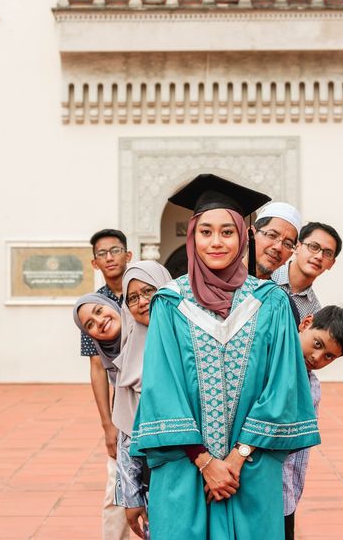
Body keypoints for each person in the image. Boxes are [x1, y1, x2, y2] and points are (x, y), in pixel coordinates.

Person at [130, 174, 321, 540]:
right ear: (192, 236)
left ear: (243, 236)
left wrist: (235, 458)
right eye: (206, 232)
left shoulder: (271, 302)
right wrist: (205, 462)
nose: (216, 242)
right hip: (185, 470)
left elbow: (282, 386)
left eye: (227, 232)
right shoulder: (170, 303)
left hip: (250, 469)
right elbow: (161, 390)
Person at [284, 306, 343, 540]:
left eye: (329, 357)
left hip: (285, 496)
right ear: (306, 323)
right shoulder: (265, 364)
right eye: (317, 344)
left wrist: (292, 498)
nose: (317, 358)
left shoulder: (312, 389)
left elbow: (299, 455)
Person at [112, 262, 172, 539]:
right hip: (153, 476)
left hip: (200, 467)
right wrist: (131, 496)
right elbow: (125, 435)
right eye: (132, 297)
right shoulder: (129, 355)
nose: (141, 302)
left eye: (148, 291)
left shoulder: (192, 337)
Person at [81, 229, 132, 540]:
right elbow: (97, 367)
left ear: (129, 255)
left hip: (159, 401)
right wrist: (107, 425)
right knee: (117, 487)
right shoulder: (92, 308)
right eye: (103, 253)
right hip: (122, 409)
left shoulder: (145, 292)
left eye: (115, 250)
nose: (110, 257)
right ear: (94, 262)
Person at [272, 221, 342, 320]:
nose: (319, 256)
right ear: (297, 247)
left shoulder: (314, 311)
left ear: (332, 264)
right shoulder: (268, 273)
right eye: (314, 247)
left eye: (328, 253)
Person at [246, 201, 302, 280]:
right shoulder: (223, 278)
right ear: (250, 234)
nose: (278, 247)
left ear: (290, 255)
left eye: (287, 244)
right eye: (272, 235)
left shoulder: (277, 292)